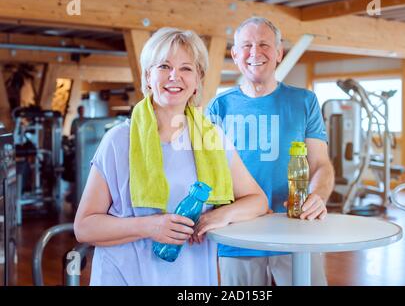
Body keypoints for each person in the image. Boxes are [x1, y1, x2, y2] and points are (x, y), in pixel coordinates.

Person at [74, 27, 268, 286]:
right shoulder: (119, 140)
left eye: (186, 68)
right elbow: (84, 227)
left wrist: (220, 215)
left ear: (198, 79)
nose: (174, 76)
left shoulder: (212, 138)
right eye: (164, 66)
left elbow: (257, 200)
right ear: (148, 76)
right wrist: (149, 226)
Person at [206, 17, 335, 286]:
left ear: (279, 53)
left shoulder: (305, 101)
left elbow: (321, 164)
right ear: (235, 54)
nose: (255, 52)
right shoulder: (219, 107)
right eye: (246, 45)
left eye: (264, 44)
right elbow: (207, 173)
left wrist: (319, 196)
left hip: (297, 228)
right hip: (237, 236)